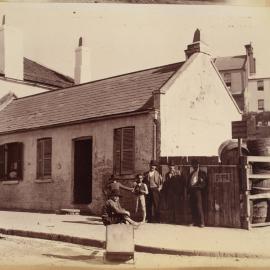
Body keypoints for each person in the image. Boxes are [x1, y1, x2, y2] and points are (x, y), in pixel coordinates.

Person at [187, 159, 207, 228]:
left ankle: (202, 223)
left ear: (198, 165)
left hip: (198, 192)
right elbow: (188, 184)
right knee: (192, 207)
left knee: (199, 206)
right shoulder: (191, 174)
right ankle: (194, 221)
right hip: (192, 192)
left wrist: (197, 187)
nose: (195, 166)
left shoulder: (202, 173)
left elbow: (203, 184)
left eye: (196, 165)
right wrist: (188, 192)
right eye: (193, 165)